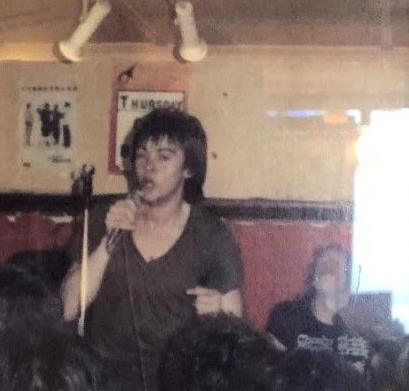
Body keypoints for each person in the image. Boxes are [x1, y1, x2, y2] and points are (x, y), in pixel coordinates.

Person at [61, 108, 243, 391]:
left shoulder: (211, 236)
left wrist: (219, 311)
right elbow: (69, 307)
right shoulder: (102, 218)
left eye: (164, 156)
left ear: (189, 169)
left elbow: (237, 331)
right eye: (142, 154)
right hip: (104, 382)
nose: (149, 166)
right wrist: (108, 242)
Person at [266, 243, 370, 373]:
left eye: (334, 265)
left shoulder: (359, 332)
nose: (327, 268)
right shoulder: (287, 316)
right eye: (322, 264)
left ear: (349, 278)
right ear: (314, 278)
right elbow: (273, 376)